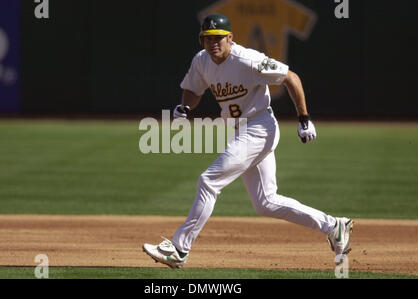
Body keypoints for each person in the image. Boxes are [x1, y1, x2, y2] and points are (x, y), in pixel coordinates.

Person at [142, 13, 353, 269]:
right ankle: (334, 226)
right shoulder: (201, 61)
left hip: (259, 127)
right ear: (202, 41)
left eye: (219, 37)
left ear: (230, 38)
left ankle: (179, 249)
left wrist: (304, 118)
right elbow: (193, 89)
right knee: (266, 202)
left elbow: (291, 78)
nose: (213, 43)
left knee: (209, 181)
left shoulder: (248, 60)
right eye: (208, 38)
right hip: (239, 130)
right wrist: (184, 107)